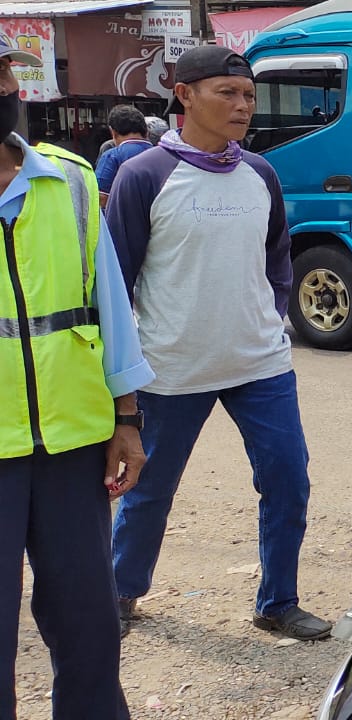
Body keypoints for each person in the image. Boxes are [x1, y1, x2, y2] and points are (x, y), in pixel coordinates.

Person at [105, 45, 332, 641]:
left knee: (288, 479)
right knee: (149, 488)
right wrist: (122, 379)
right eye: (227, 93)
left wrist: (272, 313)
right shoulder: (144, 175)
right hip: (173, 368)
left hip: (260, 364)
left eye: (249, 96)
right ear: (184, 96)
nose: (242, 106)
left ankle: (277, 601)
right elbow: (116, 278)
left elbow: (277, 254)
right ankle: (120, 592)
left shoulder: (260, 173)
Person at [0, 39, 153, 720]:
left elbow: (109, 309)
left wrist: (128, 419)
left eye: (3, 70)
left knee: (89, 627)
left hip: (71, 448)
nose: (7, 85)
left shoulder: (69, 181)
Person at [94, 105, 151, 207]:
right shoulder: (163, 155)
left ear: (113, 132)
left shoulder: (112, 156)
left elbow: (101, 198)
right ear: (146, 132)